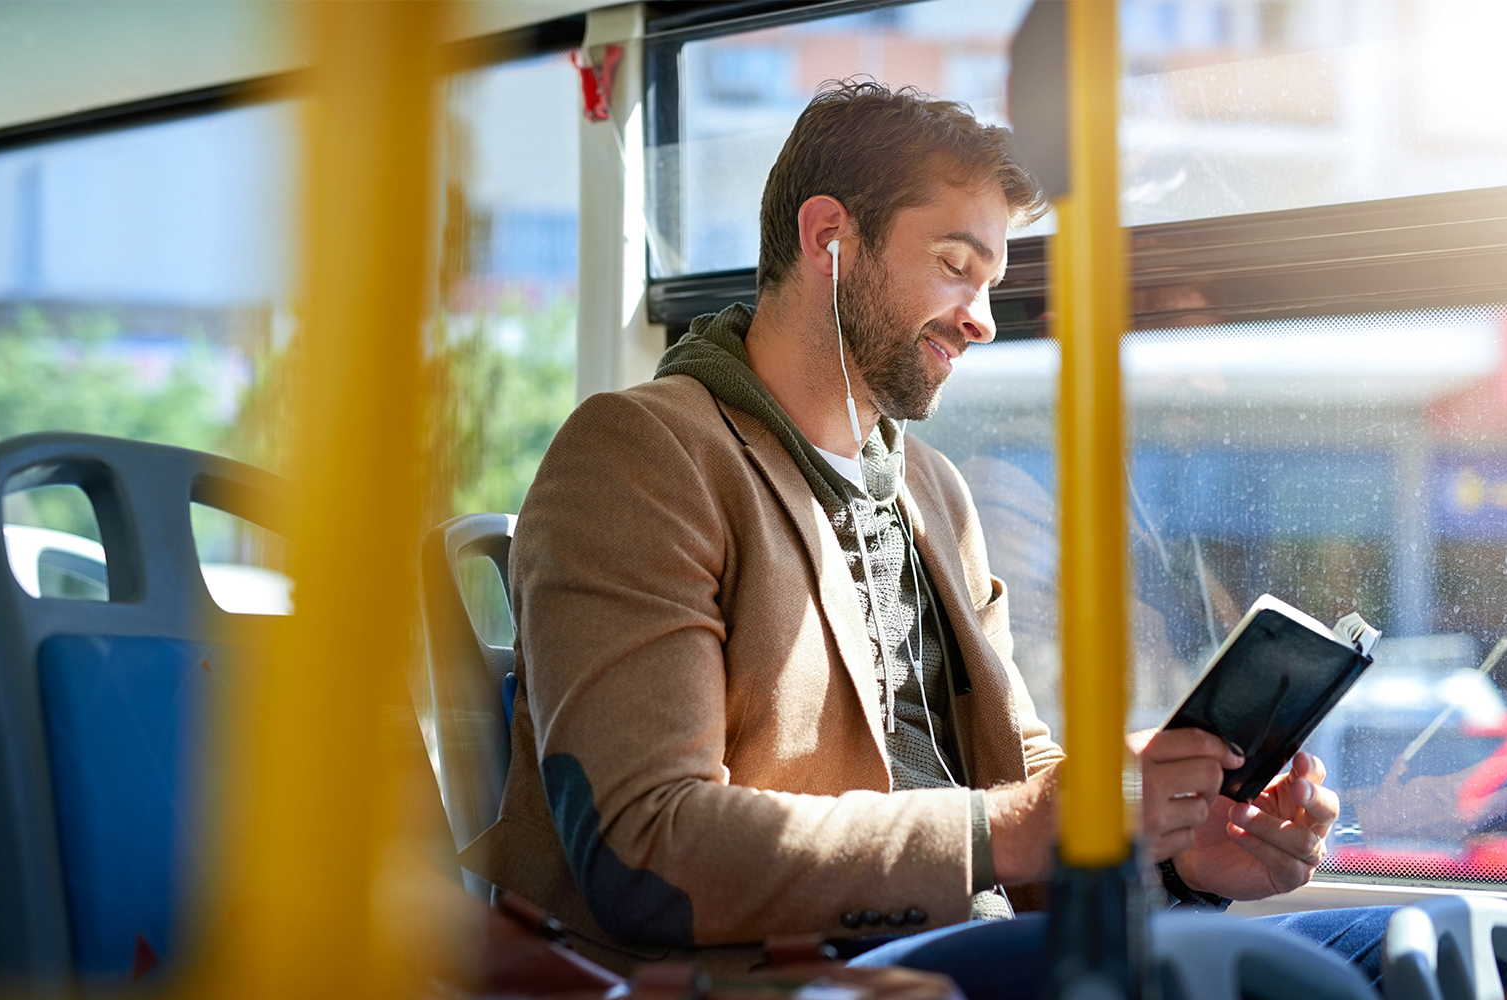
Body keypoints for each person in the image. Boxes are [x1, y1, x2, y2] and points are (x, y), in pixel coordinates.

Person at [470, 80, 1373, 990]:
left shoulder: (933, 495)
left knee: (1435, 941)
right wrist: (1013, 829)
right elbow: (645, 849)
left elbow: (1018, 780)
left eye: (990, 284)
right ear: (829, 240)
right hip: (820, 974)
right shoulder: (644, 455)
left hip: (972, 952)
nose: (981, 319)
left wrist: (1180, 863)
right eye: (954, 265)